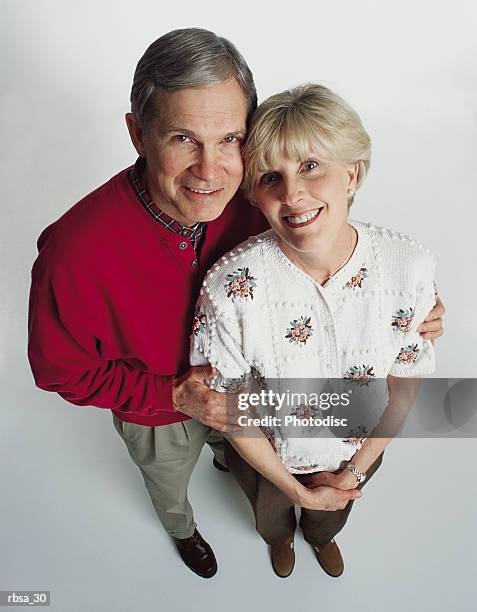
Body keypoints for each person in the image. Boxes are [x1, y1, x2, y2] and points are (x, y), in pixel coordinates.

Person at [27, 29, 445, 579]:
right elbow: (59, 371)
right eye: (182, 138)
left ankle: (235, 469)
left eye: (229, 139)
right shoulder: (73, 252)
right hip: (157, 410)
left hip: (258, 395)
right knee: (170, 483)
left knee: (246, 460)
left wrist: (409, 306)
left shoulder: (258, 195)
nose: (210, 170)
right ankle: (182, 531)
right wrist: (172, 394)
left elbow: (326, 245)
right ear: (137, 133)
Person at [190, 83, 438, 578]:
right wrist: (297, 490)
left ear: (351, 173)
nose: (292, 194)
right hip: (267, 452)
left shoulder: (409, 266)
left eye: (309, 166)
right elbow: (233, 410)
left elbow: (404, 388)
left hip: (357, 449)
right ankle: (279, 539)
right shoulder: (231, 285)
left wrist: (352, 473)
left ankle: (320, 538)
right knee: (270, 517)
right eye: (269, 177)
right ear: (254, 196)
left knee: (332, 516)